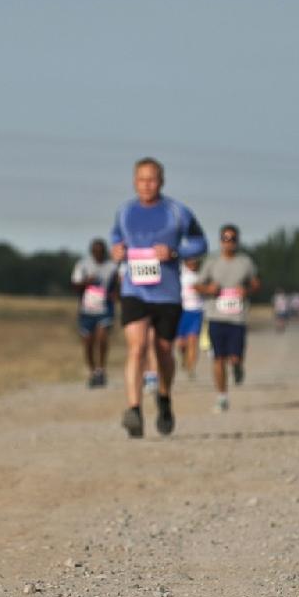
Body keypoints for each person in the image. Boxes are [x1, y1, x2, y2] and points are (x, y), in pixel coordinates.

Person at [110, 157, 207, 437]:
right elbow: (116, 239)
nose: (147, 185)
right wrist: (116, 251)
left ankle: (164, 398)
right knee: (137, 347)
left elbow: (201, 243)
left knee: (164, 351)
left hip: (167, 293)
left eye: (152, 179)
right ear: (134, 182)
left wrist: (175, 253)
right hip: (134, 290)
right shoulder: (125, 212)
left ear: (161, 182)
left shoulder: (177, 212)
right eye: (141, 179)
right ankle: (134, 410)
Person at [196, 224, 260, 412]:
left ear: (237, 241)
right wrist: (209, 289)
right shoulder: (212, 262)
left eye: (232, 239)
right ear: (220, 240)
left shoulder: (245, 262)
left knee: (235, 357)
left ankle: (238, 366)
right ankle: (222, 396)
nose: (228, 242)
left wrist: (246, 290)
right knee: (218, 358)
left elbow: (256, 284)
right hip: (216, 316)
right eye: (225, 238)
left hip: (237, 318)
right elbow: (198, 285)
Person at [71, 238, 119, 387]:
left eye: (101, 251)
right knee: (88, 342)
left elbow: (119, 284)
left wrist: (115, 294)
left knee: (102, 337)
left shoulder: (112, 266)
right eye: (96, 251)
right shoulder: (83, 265)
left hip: (105, 309)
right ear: (91, 252)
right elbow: (74, 285)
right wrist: (87, 282)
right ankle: (92, 371)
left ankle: (101, 369)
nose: (98, 254)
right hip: (87, 310)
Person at [176, 257, 205, 378]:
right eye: (190, 259)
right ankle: (183, 358)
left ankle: (191, 368)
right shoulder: (179, 271)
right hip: (181, 311)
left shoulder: (202, 273)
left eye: (195, 260)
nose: (193, 262)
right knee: (181, 344)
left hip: (197, 311)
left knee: (193, 341)